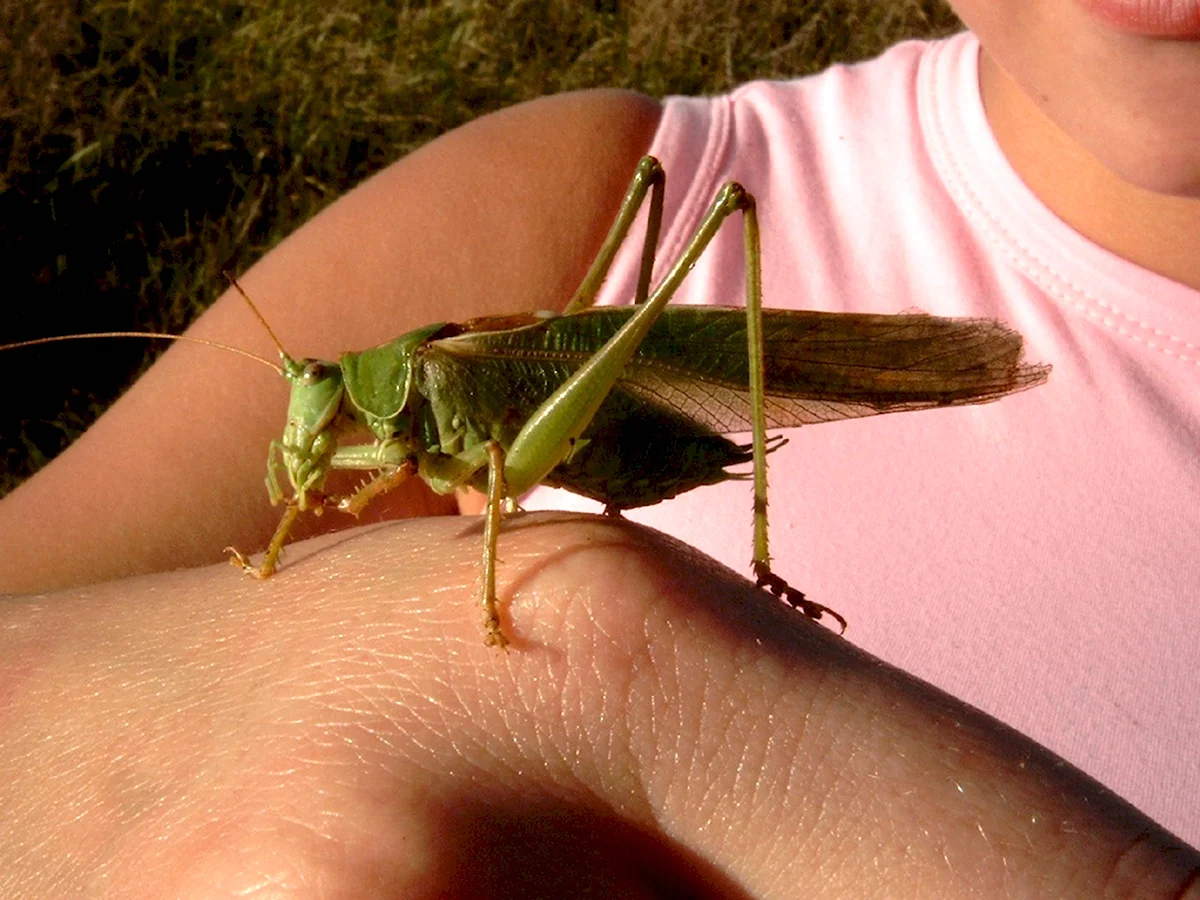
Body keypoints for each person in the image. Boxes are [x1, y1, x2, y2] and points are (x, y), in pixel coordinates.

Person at [0, 0, 1196, 892]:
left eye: (315, 398)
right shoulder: (530, 208)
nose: (307, 431)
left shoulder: (530, 299)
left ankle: (765, 545)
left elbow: (481, 480)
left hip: (608, 422)